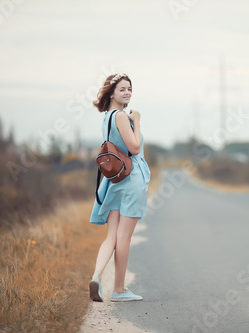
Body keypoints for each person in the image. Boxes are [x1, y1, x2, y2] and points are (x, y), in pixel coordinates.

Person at [88, 73, 151, 302]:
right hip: (131, 179)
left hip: (115, 181)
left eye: (129, 89)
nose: (127, 93)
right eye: (122, 89)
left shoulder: (107, 117)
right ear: (112, 93)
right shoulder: (122, 117)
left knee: (112, 236)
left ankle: (96, 276)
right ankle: (119, 290)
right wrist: (138, 120)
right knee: (124, 238)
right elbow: (134, 148)